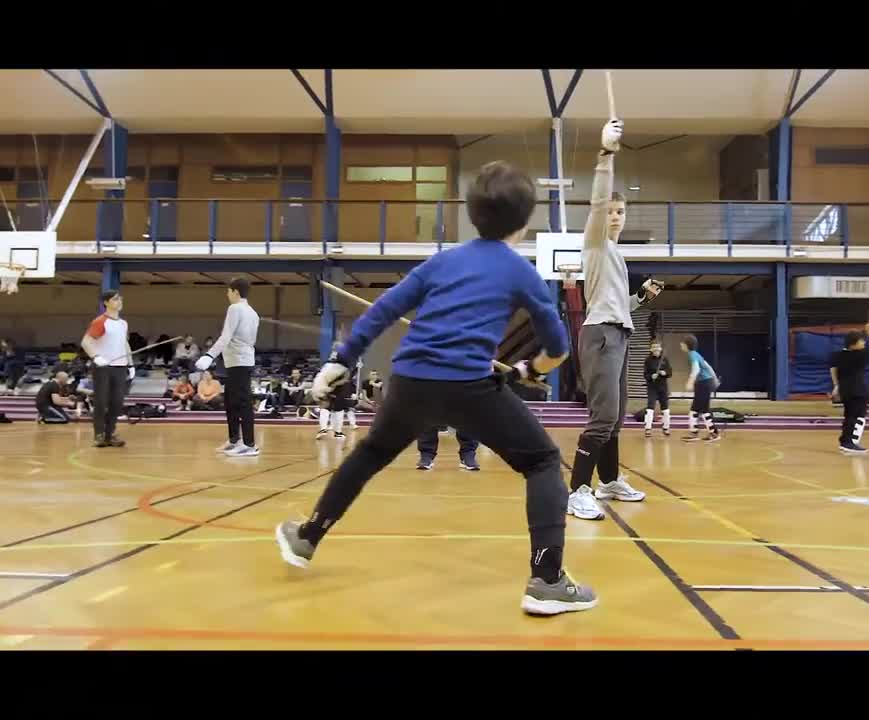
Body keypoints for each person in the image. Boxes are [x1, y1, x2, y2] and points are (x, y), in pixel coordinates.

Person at [274, 159, 595, 616]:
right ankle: (547, 580)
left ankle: (307, 537)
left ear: (473, 213)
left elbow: (382, 311)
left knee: (369, 455)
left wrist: (339, 361)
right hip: (469, 385)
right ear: (524, 222)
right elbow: (558, 348)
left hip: (409, 383)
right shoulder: (520, 271)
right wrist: (523, 371)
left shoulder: (443, 261)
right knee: (543, 460)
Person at [568, 119, 665, 521]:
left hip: (619, 332)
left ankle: (607, 481)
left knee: (617, 416)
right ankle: (576, 491)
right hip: (600, 335)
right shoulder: (594, 243)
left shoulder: (618, 256)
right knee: (603, 416)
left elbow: (618, 304)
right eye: (611, 211)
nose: (616, 216)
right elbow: (596, 202)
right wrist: (605, 155)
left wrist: (640, 298)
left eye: (621, 211)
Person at [196, 277, 261, 457]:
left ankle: (249, 444)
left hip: (240, 362)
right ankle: (234, 440)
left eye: (228, 291)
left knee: (242, 403)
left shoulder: (235, 308)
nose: (227, 294)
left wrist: (209, 355)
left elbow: (226, 336)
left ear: (235, 292)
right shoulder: (253, 312)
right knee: (231, 402)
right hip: (238, 361)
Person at [80, 290, 134, 448]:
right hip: (103, 367)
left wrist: (130, 363)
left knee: (117, 402)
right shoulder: (100, 321)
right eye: (115, 299)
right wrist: (96, 357)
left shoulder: (123, 323)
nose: (119, 301)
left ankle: (110, 433)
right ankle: (99, 434)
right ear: (106, 303)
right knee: (101, 401)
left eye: (120, 299)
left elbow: (125, 344)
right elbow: (86, 342)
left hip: (120, 367)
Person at [829, 321, 869, 455]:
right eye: (861, 341)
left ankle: (845, 441)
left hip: (846, 390)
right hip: (858, 391)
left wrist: (836, 385)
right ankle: (850, 443)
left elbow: (833, 369)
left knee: (849, 416)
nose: (863, 343)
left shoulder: (838, 355)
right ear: (854, 343)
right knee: (856, 417)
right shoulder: (861, 354)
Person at [681, 335, 721, 443]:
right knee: (695, 410)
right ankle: (694, 433)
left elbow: (696, 369)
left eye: (682, 343)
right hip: (704, 383)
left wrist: (690, 381)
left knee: (703, 410)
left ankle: (714, 433)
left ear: (686, 345)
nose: (681, 344)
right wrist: (715, 379)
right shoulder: (697, 354)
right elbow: (708, 367)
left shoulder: (692, 355)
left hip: (703, 384)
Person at [643, 341, 673, 438]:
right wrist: (651, 376)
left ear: (660, 349)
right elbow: (645, 374)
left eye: (658, 347)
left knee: (665, 408)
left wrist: (665, 373)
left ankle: (666, 427)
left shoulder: (665, 359)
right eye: (654, 348)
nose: (656, 349)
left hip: (663, 387)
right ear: (651, 349)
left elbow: (670, 372)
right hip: (652, 387)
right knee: (650, 407)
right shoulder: (648, 360)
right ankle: (648, 428)